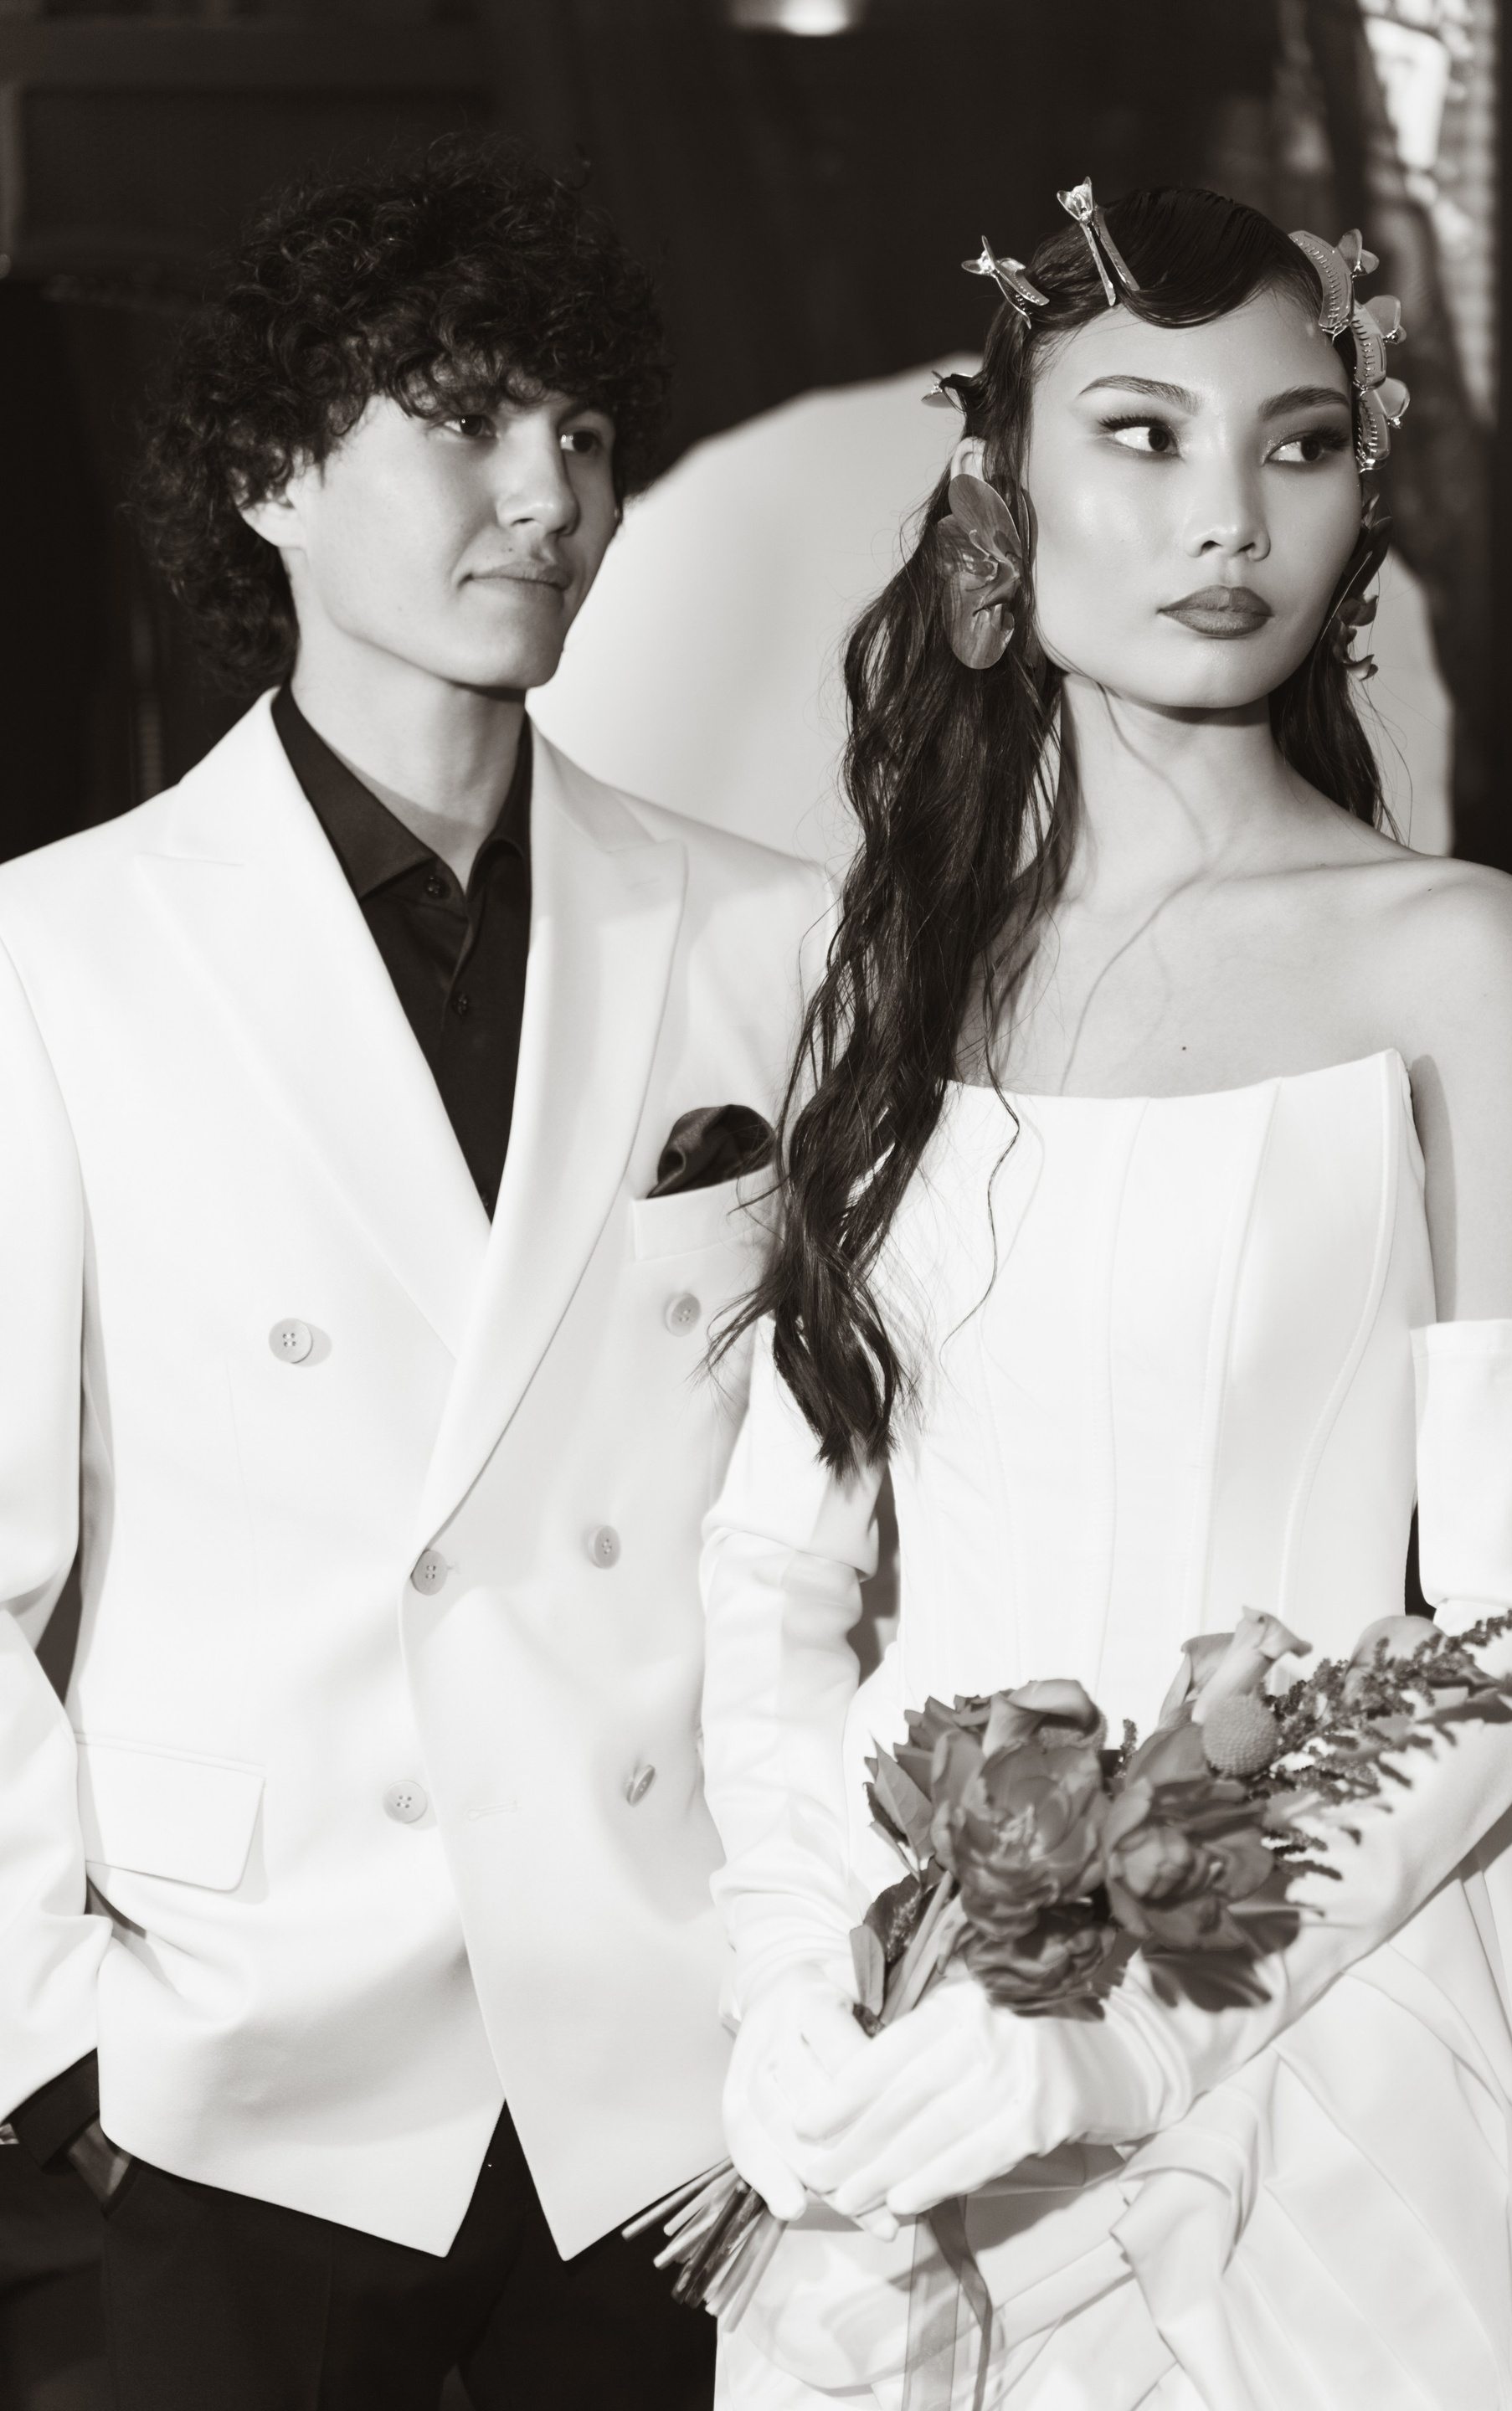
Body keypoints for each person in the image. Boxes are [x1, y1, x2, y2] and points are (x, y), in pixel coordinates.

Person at [697, 184, 1512, 2408]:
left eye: (1300, 444)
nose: (1230, 519)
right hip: (917, 2056)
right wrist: (796, 1971)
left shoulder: (1463, 956)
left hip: (1332, 2063)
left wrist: (1131, 2022)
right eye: (1143, 434)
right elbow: (779, 1575)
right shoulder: (893, 981)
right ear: (996, 499)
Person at [0, 138, 828, 2410]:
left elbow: (830, 1516)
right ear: (272, 476)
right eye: (464, 422)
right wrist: (55, 2052)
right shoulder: (57, 957)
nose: (547, 494)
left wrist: (823, 1983)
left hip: (667, 2077)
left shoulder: (775, 937)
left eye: (584, 430)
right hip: (230, 2082)